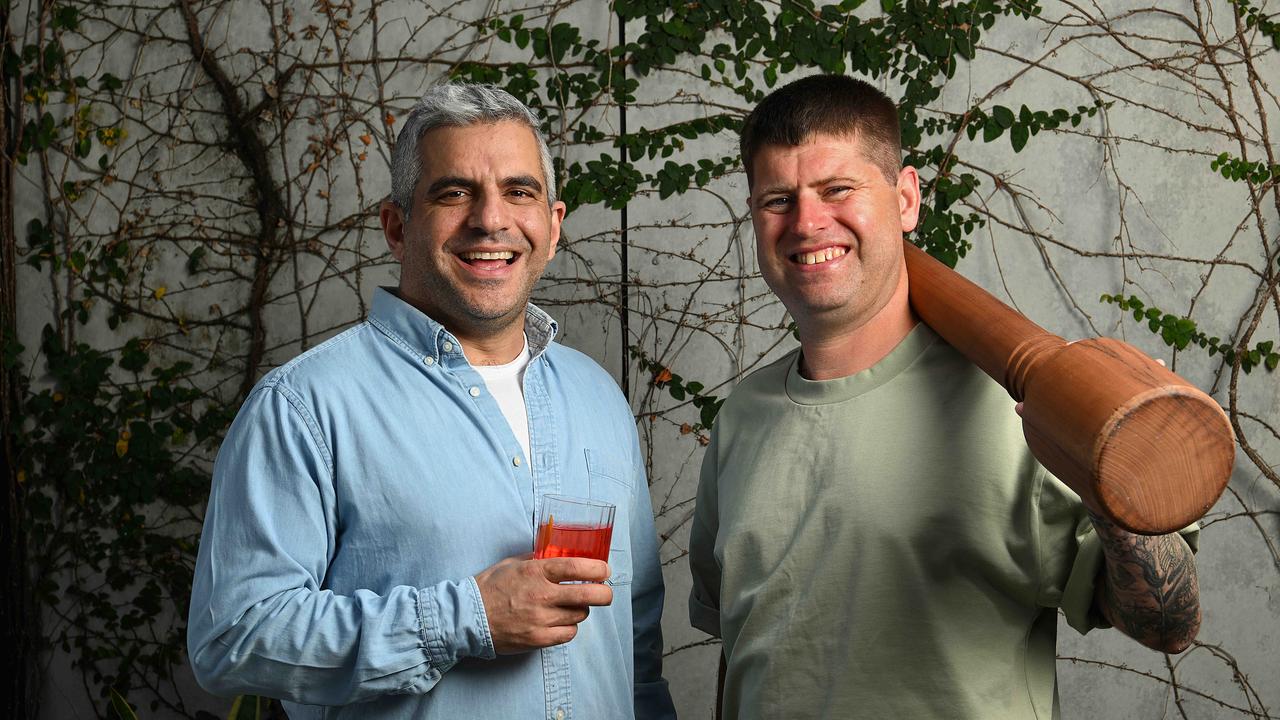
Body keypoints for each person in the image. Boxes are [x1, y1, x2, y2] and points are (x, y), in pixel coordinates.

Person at [687, 74, 1201, 720]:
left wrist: (1118, 485)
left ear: (905, 199)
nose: (807, 222)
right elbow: (742, 655)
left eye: (837, 189)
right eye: (777, 199)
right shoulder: (741, 419)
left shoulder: (1022, 406)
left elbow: (1170, 623)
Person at [188, 83, 676, 719]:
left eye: (519, 191)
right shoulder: (304, 407)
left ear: (552, 228)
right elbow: (235, 637)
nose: (491, 219)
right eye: (454, 193)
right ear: (396, 226)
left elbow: (635, 647)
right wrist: (465, 618)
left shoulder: (598, 398)